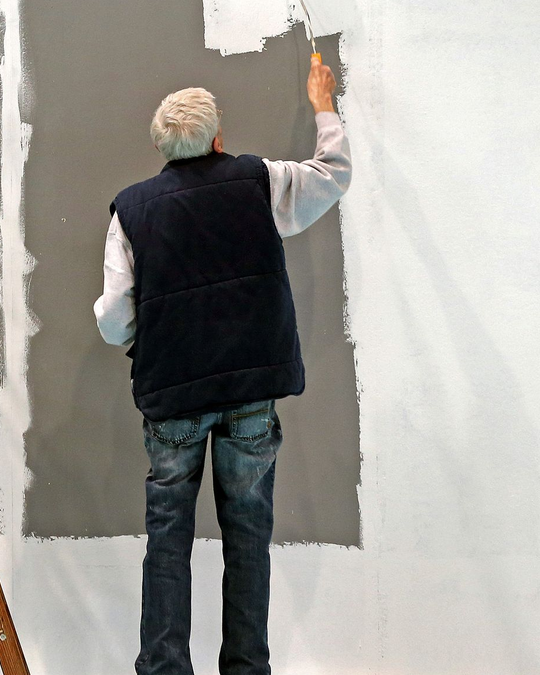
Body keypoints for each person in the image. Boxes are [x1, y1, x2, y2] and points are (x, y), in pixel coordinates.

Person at [94, 56, 351, 675]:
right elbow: (332, 175)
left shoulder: (132, 211)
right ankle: (246, 667)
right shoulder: (257, 181)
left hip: (173, 398)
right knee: (248, 537)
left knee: (167, 543)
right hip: (249, 391)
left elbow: (114, 319)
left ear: (162, 147)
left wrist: (151, 323)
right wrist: (322, 103)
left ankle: (163, 668)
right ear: (216, 139)